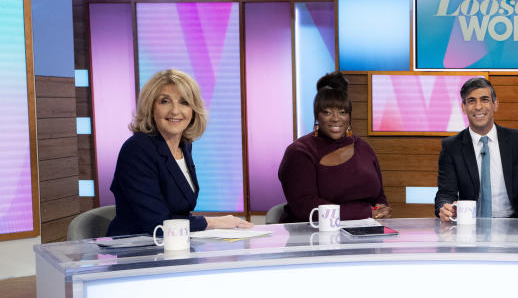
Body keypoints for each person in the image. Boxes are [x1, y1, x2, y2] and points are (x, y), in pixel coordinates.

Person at [107, 69, 252, 236]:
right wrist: (213, 222)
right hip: (137, 251)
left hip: (173, 246)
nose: (175, 111)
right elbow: (158, 224)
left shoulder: (184, 145)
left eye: (184, 102)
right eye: (165, 101)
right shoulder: (137, 150)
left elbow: (179, 212)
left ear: (193, 110)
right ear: (151, 107)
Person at [278, 72, 390, 222]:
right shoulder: (299, 152)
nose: (336, 118)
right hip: (313, 235)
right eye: (327, 112)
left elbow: (379, 196)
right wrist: (364, 213)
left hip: (366, 231)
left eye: (342, 112)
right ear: (317, 115)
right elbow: (306, 208)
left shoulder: (363, 148)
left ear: (349, 116)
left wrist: (381, 210)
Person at [435, 77, 518, 221]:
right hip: (470, 226)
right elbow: (445, 193)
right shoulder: (451, 146)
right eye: (471, 101)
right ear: (463, 107)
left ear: (495, 104)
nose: (478, 107)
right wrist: (445, 208)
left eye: (485, 99)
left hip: (513, 224)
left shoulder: (517, 140)